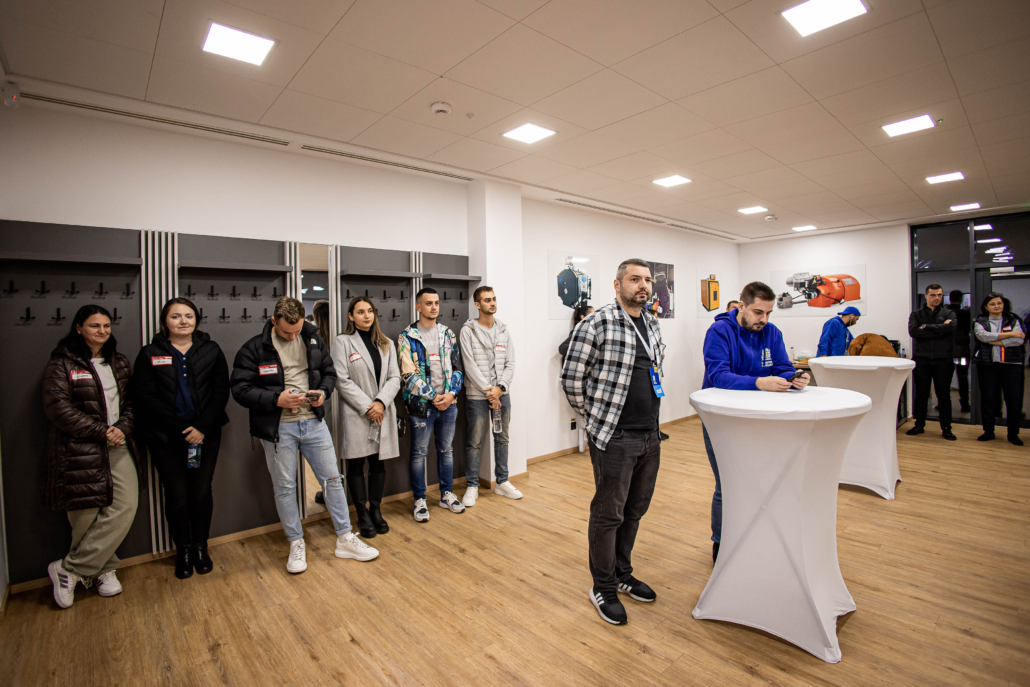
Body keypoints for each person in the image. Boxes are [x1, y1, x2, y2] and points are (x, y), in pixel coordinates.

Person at [231, 296, 378, 573]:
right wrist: (276, 399)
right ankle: (296, 542)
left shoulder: (312, 339)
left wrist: (323, 392)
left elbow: (329, 373)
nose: (292, 336)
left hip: (313, 423)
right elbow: (240, 389)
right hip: (278, 428)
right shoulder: (253, 348)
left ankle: (345, 537)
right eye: (287, 332)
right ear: (274, 321)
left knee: (333, 480)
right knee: (285, 488)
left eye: (297, 330)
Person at [561, 258, 666, 626]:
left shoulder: (652, 323)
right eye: (635, 279)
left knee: (634, 511)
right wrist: (595, 419)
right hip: (615, 437)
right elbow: (572, 379)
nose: (643, 285)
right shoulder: (597, 323)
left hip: (650, 434)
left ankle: (622, 573)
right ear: (618, 285)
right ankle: (602, 586)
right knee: (609, 515)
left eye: (647, 280)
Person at [43, 305, 146, 609]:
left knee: (125, 506)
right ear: (79, 328)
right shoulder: (62, 363)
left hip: (119, 444)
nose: (102, 331)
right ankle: (103, 569)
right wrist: (101, 431)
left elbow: (133, 402)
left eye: (106, 326)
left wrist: (121, 428)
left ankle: (69, 569)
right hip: (79, 449)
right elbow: (58, 408)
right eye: (94, 326)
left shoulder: (119, 361)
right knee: (85, 515)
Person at [701, 281, 810, 564]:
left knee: (761, 481)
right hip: (722, 419)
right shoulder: (719, 331)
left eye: (769, 313)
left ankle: (752, 536)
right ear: (742, 306)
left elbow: (782, 366)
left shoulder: (771, 332)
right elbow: (718, 376)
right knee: (728, 483)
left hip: (760, 419)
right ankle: (721, 544)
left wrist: (794, 378)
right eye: (758, 312)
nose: (764, 319)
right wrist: (759, 382)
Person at [133, 297, 230, 579]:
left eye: (188, 316)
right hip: (165, 437)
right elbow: (145, 397)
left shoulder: (211, 349)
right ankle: (183, 551)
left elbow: (220, 391)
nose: (183, 321)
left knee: (201, 492)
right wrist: (182, 429)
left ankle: (200, 547)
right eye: (175, 316)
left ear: (196, 320)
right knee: (176, 495)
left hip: (205, 436)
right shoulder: (150, 353)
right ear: (165, 321)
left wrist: (201, 427)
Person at [332, 297, 401, 538]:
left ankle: (376, 510)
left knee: (378, 463)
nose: (366, 316)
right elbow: (341, 380)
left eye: (370, 311)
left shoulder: (386, 343)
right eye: (360, 312)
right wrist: (368, 407)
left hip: (382, 412)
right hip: (356, 413)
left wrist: (381, 403)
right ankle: (361, 513)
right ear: (350, 316)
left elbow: (394, 377)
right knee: (356, 464)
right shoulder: (342, 342)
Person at [398, 287, 465, 522]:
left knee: (446, 450)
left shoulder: (448, 334)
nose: (434, 307)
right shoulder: (407, 336)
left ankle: (446, 494)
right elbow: (407, 375)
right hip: (422, 406)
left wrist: (451, 394)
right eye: (428, 303)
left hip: (449, 403)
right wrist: (432, 396)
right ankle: (419, 499)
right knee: (419, 453)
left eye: (436, 303)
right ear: (418, 307)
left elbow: (457, 368)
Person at [459, 286, 521, 507]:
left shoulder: (503, 330)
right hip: (477, 396)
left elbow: (511, 362)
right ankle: (472, 485)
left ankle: (502, 482)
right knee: (474, 442)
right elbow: (469, 365)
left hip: (502, 394)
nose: (492, 303)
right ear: (477, 305)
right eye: (487, 300)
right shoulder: (468, 331)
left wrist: (500, 389)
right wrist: (489, 391)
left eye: (494, 299)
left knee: (502, 439)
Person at [973, 293, 1026, 445]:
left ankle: (1013, 434)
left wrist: (995, 340)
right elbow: (982, 337)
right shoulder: (980, 320)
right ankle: (988, 431)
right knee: (988, 399)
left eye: (999, 303)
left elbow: (1019, 340)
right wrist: (1010, 334)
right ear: (986, 307)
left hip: (1012, 365)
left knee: (1013, 400)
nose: (996, 306)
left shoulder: (1014, 319)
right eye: (992, 304)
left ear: (1004, 305)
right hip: (987, 365)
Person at [907, 285, 957, 440]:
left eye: (940, 295)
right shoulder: (917, 314)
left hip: (943, 360)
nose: (937, 298)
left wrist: (927, 327)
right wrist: (940, 331)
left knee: (944, 395)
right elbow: (914, 332)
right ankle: (919, 425)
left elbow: (951, 328)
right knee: (921, 394)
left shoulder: (948, 313)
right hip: (922, 359)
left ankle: (946, 428)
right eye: (933, 295)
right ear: (926, 296)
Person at [949, 290, 972, 413]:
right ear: (961, 299)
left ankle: (943, 404)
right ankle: (965, 404)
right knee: (962, 377)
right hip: (962, 350)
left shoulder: (945, 313)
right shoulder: (966, 314)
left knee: (945, 378)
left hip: (947, 350)